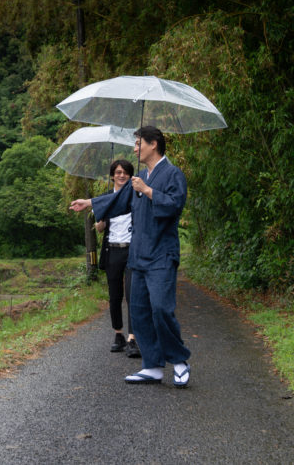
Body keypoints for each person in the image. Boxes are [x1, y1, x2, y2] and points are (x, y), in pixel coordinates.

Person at [120, 125, 190, 388]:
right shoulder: (138, 176)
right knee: (139, 312)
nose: (135, 148)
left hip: (161, 254)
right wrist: (91, 203)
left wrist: (148, 191)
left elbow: (174, 206)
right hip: (139, 255)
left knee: (161, 309)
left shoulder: (173, 174)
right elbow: (119, 202)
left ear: (153, 144)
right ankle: (152, 366)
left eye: (138, 143)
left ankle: (180, 360)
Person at [74, 159, 140, 357]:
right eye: (118, 172)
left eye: (125, 172)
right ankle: (118, 334)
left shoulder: (135, 196)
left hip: (131, 250)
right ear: (112, 175)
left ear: (130, 176)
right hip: (112, 250)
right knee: (114, 295)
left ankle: (132, 338)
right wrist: (101, 218)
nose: (121, 175)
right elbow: (100, 228)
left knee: (132, 295)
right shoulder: (104, 199)